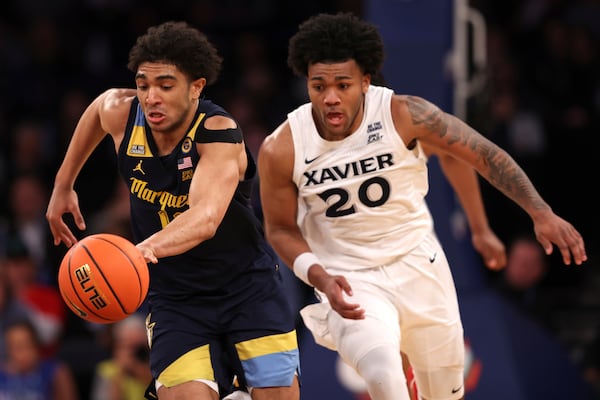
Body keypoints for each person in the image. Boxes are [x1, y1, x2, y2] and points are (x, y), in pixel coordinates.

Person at [257, 12, 587, 400]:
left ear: (365, 81)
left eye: (343, 85)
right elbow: (279, 228)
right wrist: (318, 275)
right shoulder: (282, 146)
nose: (330, 96)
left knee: (446, 392)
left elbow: (477, 154)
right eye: (319, 85)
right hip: (349, 276)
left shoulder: (405, 114)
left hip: (418, 264)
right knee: (383, 376)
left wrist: (538, 213)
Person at [46, 21, 300, 400]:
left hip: (247, 287)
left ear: (196, 87)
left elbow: (206, 217)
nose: (151, 97)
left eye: (166, 86)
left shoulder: (218, 132)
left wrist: (144, 249)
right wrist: (63, 185)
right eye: (144, 84)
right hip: (176, 298)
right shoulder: (123, 112)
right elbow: (98, 111)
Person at [0, 319, 79, 400]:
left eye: (27, 345)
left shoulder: (56, 372)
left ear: (36, 344)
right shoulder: (2, 375)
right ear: (9, 350)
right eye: (18, 347)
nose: (24, 353)